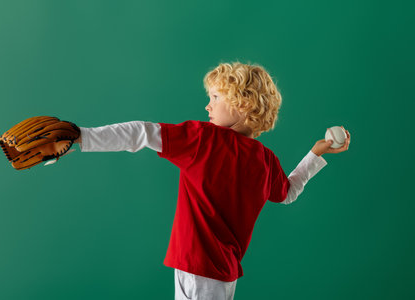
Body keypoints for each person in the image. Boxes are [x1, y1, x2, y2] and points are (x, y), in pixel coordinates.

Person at [74, 62, 351, 300]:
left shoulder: (203, 139)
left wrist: (80, 136)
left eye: (215, 97)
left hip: (198, 267)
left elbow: (140, 133)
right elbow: (288, 192)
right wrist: (316, 153)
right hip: (223, 271)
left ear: (242, 104)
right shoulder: (266, 160)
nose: (208, 105)